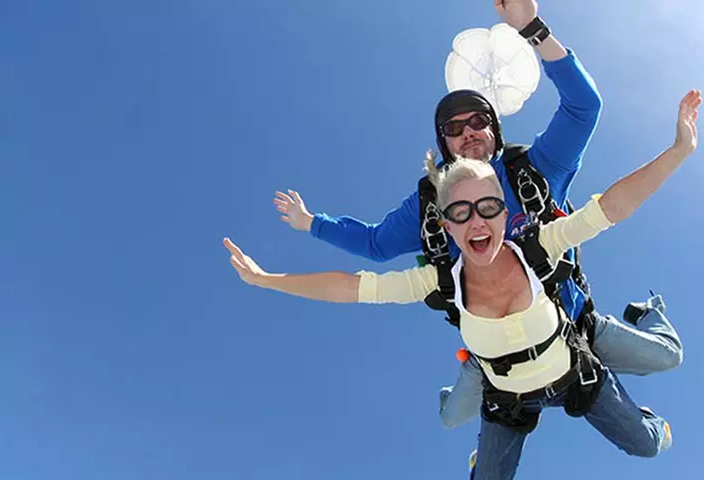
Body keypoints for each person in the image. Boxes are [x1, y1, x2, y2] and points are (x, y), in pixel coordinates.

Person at [229, 90, 702, 478]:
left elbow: (614, 205)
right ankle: (459, 406)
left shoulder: (541, 246)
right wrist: (270, 275)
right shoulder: (438, 279)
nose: (477, 221)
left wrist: (679, 149)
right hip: (504, 392)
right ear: (445, 229)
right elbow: (350, 285)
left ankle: (650, 313)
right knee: (450, 416)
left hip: (575, 361)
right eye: (459, 213)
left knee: (652, 427)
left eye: (489, 208)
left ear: (509, 210)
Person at [272, 0, 683, 434]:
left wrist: (531, 27)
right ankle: (463, 385)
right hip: (495, 350)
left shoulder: (533, 170)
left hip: (574, 324)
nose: (467, 131)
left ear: (495, 129)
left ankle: (647, 312)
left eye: (478, 121)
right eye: (453, 127)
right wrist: (310, 222)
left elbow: (584, 107)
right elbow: (375, 245)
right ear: (444, 144)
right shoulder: (433, 206)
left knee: (667, 357)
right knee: (452, 417)